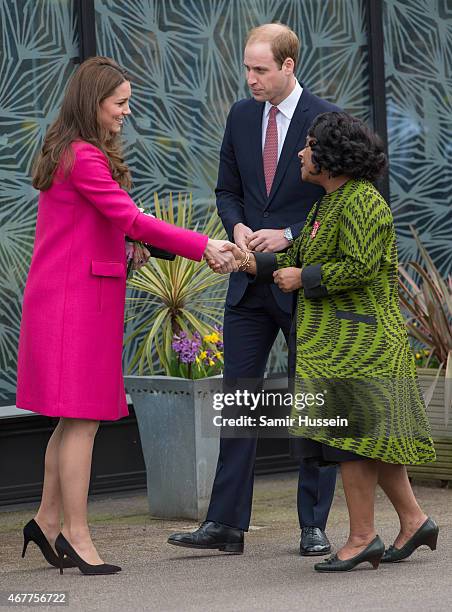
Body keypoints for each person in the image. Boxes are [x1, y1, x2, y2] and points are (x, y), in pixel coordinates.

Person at [16, 56, 235, 576]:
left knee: (72, 420)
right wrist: (203, 246)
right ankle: (76, 533)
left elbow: (100, 225)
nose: (126, 113)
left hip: (66, 300)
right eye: (120, 103)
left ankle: (47, 524)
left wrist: (126, 246)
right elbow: (130, 217)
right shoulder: (85, 156)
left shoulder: (63, 150)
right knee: (83, 422)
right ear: (93, 104)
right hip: (76, 306)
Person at [218, 111, 438, 572]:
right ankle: (414, 520)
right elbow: (293, 254)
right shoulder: (327, 204)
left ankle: (361, 538)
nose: (300, 152)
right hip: (339, 345)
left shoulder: (363, 203)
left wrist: (305, 278)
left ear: (332, 158)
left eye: (309, 144)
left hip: (361, 344)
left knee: (351, 442)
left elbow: (360, 265)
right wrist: (243, 262)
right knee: (370, 444)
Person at [168, 23, 338, 557]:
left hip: (302, 283)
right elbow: (227, 189)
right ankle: (225, 523)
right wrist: (238, 227)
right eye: (247, 67)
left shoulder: (326, 120)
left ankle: (313, 525)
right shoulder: (241, 115)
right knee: (239, 400)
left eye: (260, 69)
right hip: (247, 284)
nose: (251, 79)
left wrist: (286, 235)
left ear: (289, 66)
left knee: (312, 402)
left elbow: (343, 198)